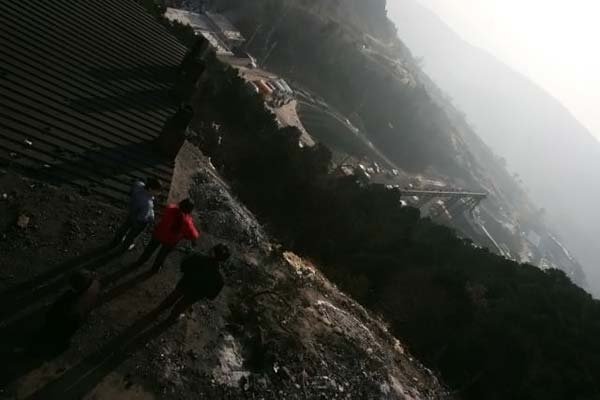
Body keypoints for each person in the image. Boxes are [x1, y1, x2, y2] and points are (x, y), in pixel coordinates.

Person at [159, 244, 230, 320]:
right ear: (223, 260)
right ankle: (172, 317)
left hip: (184, 283)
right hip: (195, 295)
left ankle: (160, 309)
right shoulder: (219, 279)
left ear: (212, 252)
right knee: (183, 305)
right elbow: (211, 296)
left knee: (173, 296)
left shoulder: (198, 257)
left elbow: (183, 266)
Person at [40, 270, 101, 354]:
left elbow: (52, 315)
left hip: (68, 322)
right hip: (80, 316)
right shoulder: (94, 286)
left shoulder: (70, 302)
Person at [134, 198, 200, 273]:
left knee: (150, 248)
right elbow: (194, 235)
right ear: (189, 210)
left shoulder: (170, 208)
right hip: (170, 241)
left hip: (159, 233)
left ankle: (141, 261)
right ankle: (155, 268)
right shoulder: (187, 222)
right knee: (162, 255)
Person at [113, 177, 162, 250]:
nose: (159, 193)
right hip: (139, 221)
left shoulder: (138, 185)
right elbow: (143, 217)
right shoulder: (147, 203)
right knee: (133, 234)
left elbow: (136, 184)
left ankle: (117, 239)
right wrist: (150, 219)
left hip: (132, 211)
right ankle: (126, 245)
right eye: (158, 191)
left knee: (125, 226)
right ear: (150, 189)